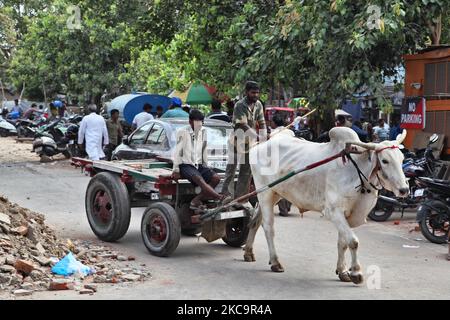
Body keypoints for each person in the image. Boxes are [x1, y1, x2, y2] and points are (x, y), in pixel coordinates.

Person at [171, 109, 226, 209]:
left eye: (201, 122)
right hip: (185, 164)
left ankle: (196, 200)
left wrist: (206, 165)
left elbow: (204, 150)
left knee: (216, 178)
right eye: (197, 122)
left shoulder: (203, 131)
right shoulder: (182, 132)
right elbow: (178, 152)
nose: (199, 125)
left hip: (199, 164)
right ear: (190, 122)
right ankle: (218, 197)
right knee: (199, 179)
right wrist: (176, 170)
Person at [221, 81, 267, 198]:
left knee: (246, 172)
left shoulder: (259, 105)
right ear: (246, 92)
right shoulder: (239, 105)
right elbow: (243, 125)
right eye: (253, 93)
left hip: (250, 144)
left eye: (257, 93)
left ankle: (240, 198)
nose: (256, 95)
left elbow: (262, 123)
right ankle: (226, 195)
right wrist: (257, 136)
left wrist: (264, 137)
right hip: (236, 142)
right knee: (231, 170)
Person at [271, 112, 293, 216]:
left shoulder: (273, 134)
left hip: (278, 163)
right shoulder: (290, 132)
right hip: (290, 162)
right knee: (288, 185)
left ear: (274, 123)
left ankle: (283, 209)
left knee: (280, 185)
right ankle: (287, 207)